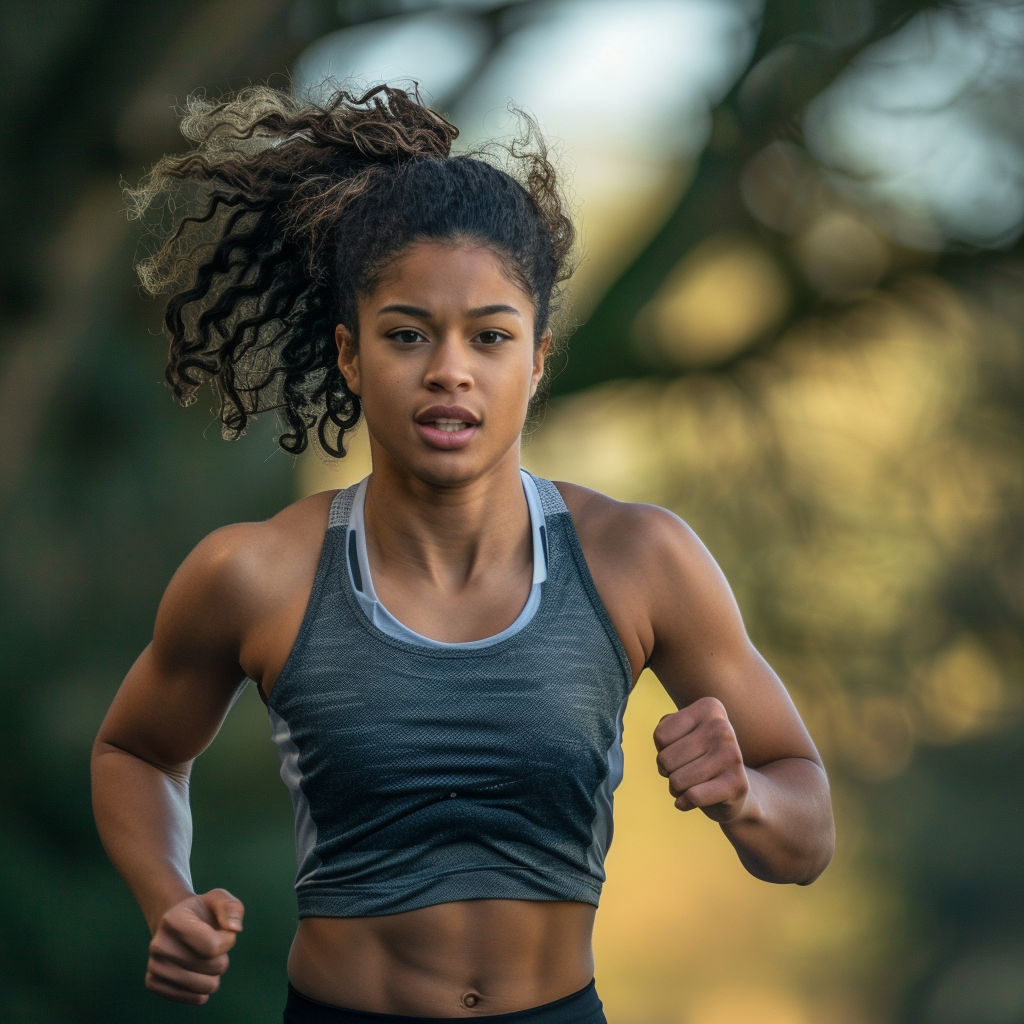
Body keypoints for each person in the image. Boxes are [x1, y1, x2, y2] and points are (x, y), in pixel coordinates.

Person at [91, 85, 834, 1024]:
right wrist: (168, 898)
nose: (451, 368)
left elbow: (806, 836)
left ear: (536, 359)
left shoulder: (640, 560)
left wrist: (745, 800)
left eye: (490, 336)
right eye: (407, 335)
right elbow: (135, 751)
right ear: (350, 355)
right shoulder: (257, 574)